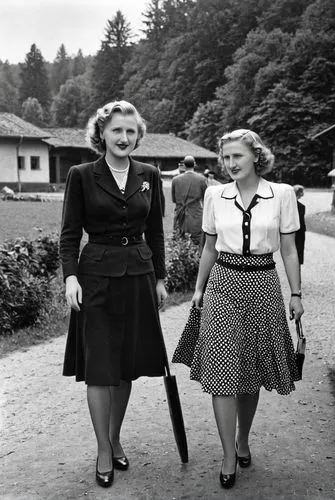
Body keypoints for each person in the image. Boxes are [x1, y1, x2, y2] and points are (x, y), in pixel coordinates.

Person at [174, 129, 303, 489]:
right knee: (221, 370)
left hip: (263, 284)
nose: (230, 164)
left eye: (238, 157)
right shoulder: (215, 194)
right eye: (226, 157)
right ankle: (228, 454)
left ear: (256, 157)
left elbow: (289, 250)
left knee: (251, 370)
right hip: (223, 283)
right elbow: (209, 248)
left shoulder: (282, 194)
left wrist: (296, 294)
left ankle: (243, 438)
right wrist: (199, 289)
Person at [59, 100, 168, 488]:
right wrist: (71, 278)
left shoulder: (149, 175)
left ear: (138, 135)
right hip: (96, 280)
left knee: (125, 365)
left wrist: (160, 278)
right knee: (100, 366)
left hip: (139, 275)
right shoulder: (82, 174)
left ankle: (116, 436)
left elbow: (155, 231)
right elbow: (70, 234)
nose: (124, 138)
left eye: (130, 131)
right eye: (116, 130)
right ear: (101, 133)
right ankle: (103, 448)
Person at [171, 155, 207, 244]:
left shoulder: (175, 179)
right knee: (196, 240)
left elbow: (174, 199)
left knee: (180, 239)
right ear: (194, 164)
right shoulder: (201, 179)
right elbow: (206, 197)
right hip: (196, 213)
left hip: (180, 213)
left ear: (184, 165)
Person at [293, 184, 306, 283]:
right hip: (298, 233)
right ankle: (297, 277)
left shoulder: (291, 205)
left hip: (296, 232)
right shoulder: (300, 207)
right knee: (298, 254)